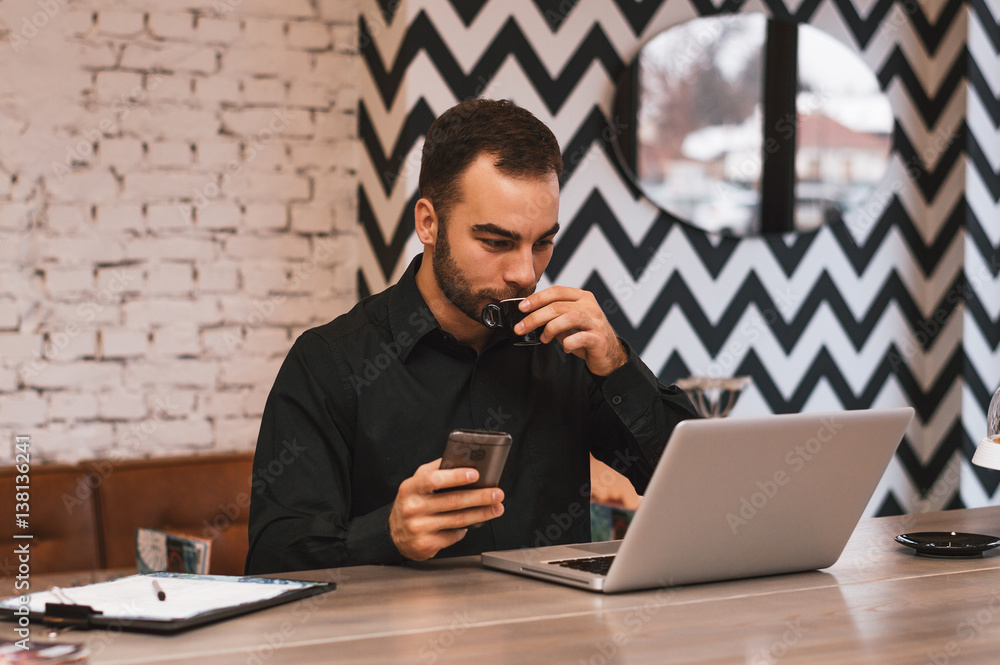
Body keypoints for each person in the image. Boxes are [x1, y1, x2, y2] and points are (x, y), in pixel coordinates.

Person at [245, 98, 698, 574]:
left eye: (543, 242)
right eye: (496, 242)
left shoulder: (567, 350)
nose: (525, 273)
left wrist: (616, 364)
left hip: (556, 644)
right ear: (428, 223)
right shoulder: (330, 363)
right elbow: (273, 559)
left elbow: (688, 487)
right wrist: (388, 534)